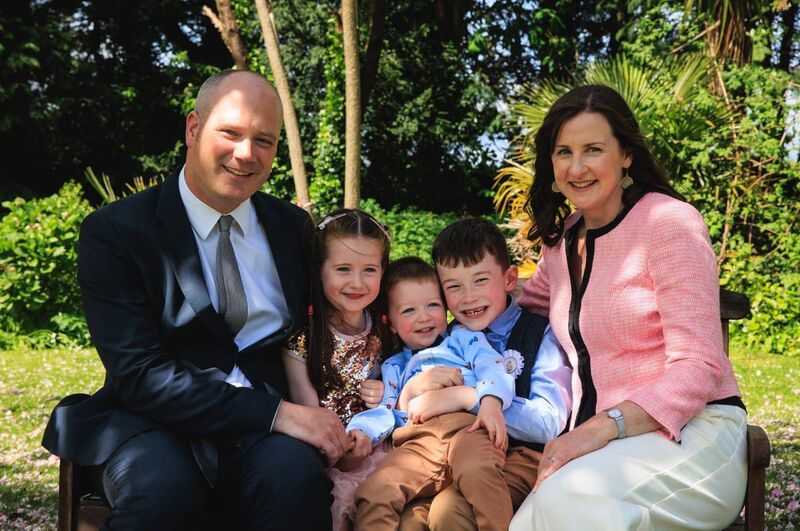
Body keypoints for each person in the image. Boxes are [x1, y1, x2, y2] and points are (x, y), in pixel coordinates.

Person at [42, 70, 349, 530]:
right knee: (163, 495)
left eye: (263, 141)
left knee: (297, 482)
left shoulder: (293, 229)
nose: (246, 154)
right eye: (231, 133)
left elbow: (336, 319)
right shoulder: (117, 232)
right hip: (153, 421)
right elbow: (141, 374)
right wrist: (280, 414)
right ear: (193, 128)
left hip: (267, 431)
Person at [510, 84, 747, 530]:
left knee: (569, 502)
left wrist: (598, 429)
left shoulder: (669, 223)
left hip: (695, 436)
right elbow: (521, 308)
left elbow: (700, 364)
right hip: (599, 450)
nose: (576, 168)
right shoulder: (561, 244)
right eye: (563, 152)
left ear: (626, 155)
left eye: (593, 149)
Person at [398, 217, 572, 531]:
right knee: (409, 517)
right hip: (448, 454)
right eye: (454, 287)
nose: (468, 297)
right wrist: (412, 390)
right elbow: (410, 396)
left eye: (480, 280)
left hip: (521, 456)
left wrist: (467, 397)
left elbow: (548, 424)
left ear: (509, 279)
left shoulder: (537, 333)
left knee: (449, 512)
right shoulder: (444, 337)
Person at [350, 256, 518, 531]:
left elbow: (492, 365)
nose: (424, 316)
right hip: (419, 443)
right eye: (408, 311)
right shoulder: (394, 366)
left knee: (477, 471)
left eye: (433, 305)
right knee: (375, 491)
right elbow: (386, 411)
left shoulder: (463, 339)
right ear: (390, 322)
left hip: (469, 429)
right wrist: (360, 432)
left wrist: (490, 401)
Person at [281, 208, 392, 531]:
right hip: (335, 462)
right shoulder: (303, 342)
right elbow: (310, 419)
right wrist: (347, 454)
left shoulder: (388, 328)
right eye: (343, 269)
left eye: (369, 269)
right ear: (319, 270)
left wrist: (390, 391)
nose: (357, 282)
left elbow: (405, 382)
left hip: (387, 449)